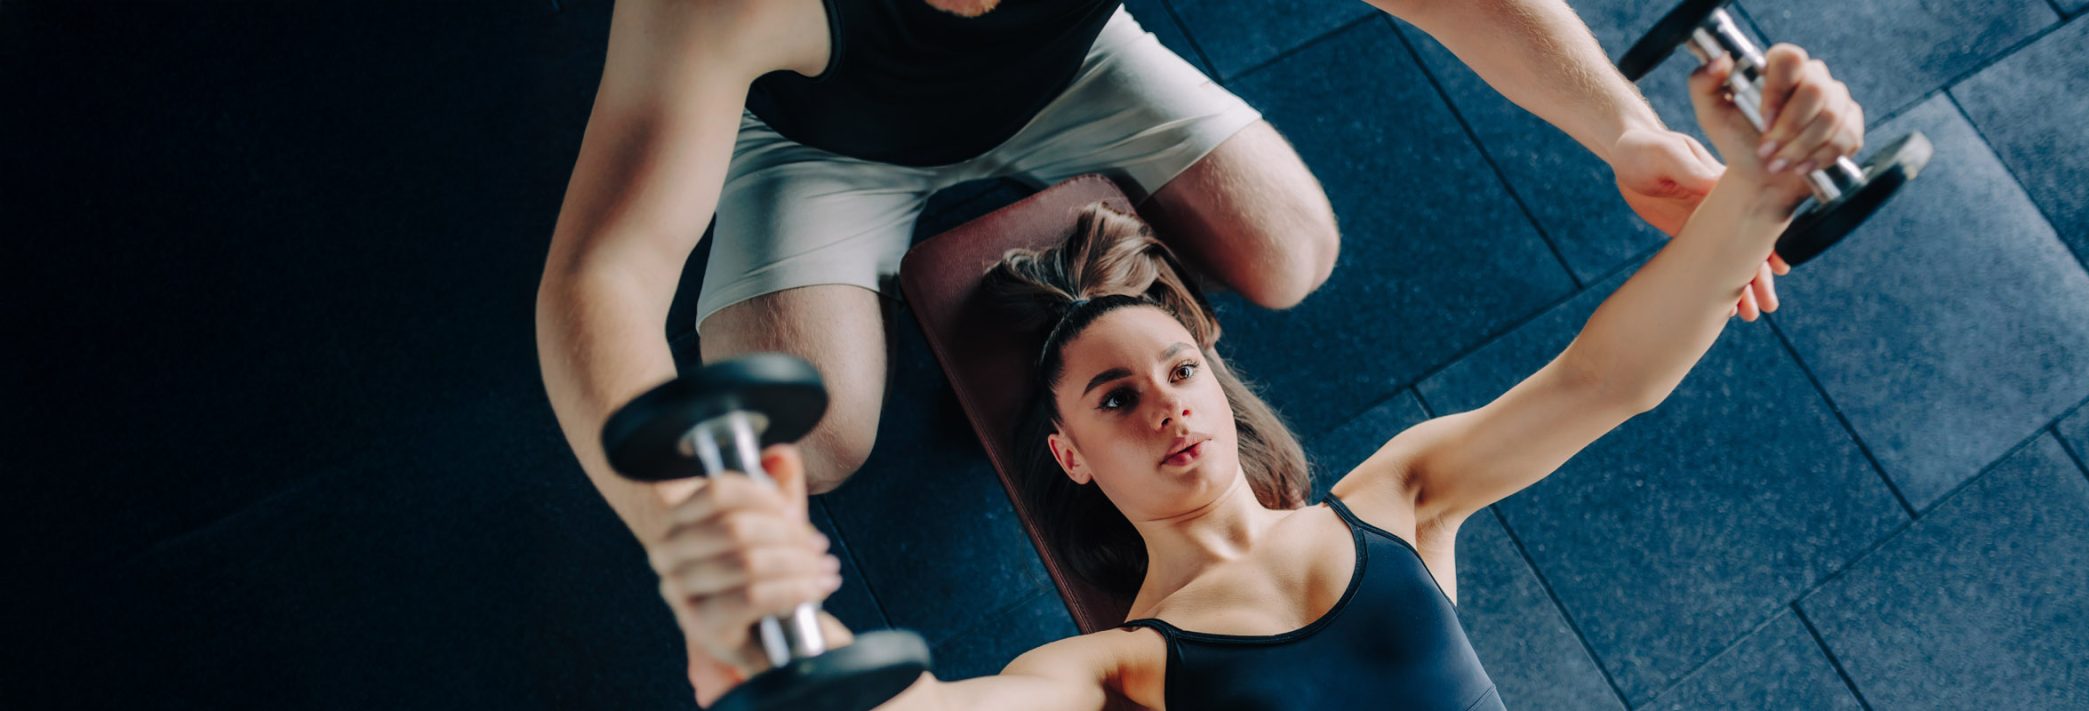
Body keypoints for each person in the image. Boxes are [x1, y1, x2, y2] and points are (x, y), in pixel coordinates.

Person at [536, 0, 1819, 700]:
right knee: (813, 438)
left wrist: (1739, 184)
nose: (1165, 406)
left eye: (1177, 369)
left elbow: (1609, 378)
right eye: (1115, 393)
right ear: (1067, 457)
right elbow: (604, 269)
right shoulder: (1116, 671)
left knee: (1293, 242)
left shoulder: (1396, 500)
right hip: (816, 137)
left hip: (1066, 65)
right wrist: (727, 595)